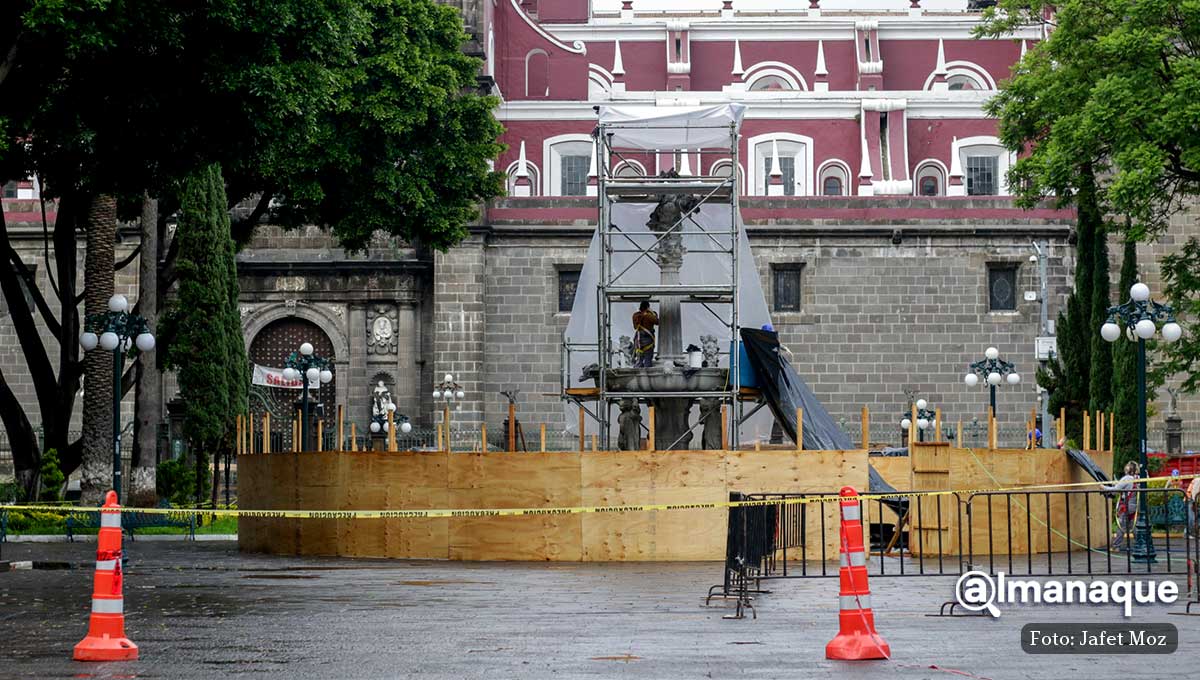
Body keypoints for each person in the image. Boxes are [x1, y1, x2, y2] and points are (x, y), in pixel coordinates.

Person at [1103, 461, 1140, 551]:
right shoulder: (1139, 478)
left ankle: (1116, 546)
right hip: (1136, 506)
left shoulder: (1126, 478)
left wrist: (1104, 487)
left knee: (1121, 526)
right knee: (1134, 526)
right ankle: (1140, 544)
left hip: (1126, 506)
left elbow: (1115, 490)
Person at [632, 301, 659, 368]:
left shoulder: (635, 315)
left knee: (639, 360)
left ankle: (637, 374)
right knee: (648, 360)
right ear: (647, 307)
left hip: (638, 340)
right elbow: (657, 321)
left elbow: (635, 327)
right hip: (648, 340)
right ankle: (647, 376)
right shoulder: (649, 316)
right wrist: (652, 312)